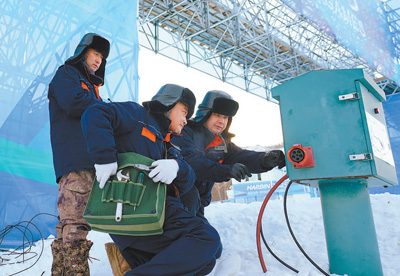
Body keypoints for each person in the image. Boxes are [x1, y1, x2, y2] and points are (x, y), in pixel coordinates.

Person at [81, 84, 221, 276]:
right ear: (169, 104)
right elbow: (96, 113)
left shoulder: (169, 145)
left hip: (151, 221)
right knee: (206, 237)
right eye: (184, 112)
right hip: (130, 210)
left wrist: (177, 168)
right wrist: (104, 157)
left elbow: (188, 182)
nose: (186, 120)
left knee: (205, 263)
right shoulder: (137, 115)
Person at [174, 90, 286, 257]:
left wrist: (264, 159)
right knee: (193, 250)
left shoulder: (222, 142)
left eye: (226, 117)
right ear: (206, 113)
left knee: (213, 251)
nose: (222, 121)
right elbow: (192, 163)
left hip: (197, 207)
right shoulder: (185, 132)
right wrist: (226, 170)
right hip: (176, 203)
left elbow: (240, 156)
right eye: (218, 115)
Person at [48, 33, 110, 275]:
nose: (99, 61)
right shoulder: (67, 74)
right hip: (76, 162)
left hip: (83, 162)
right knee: (75, 226)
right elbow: (74, 102)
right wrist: (109, 109)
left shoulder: (92, 89)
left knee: (68, 226)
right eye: (96, 54)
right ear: (83, 51)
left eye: (102, 58)